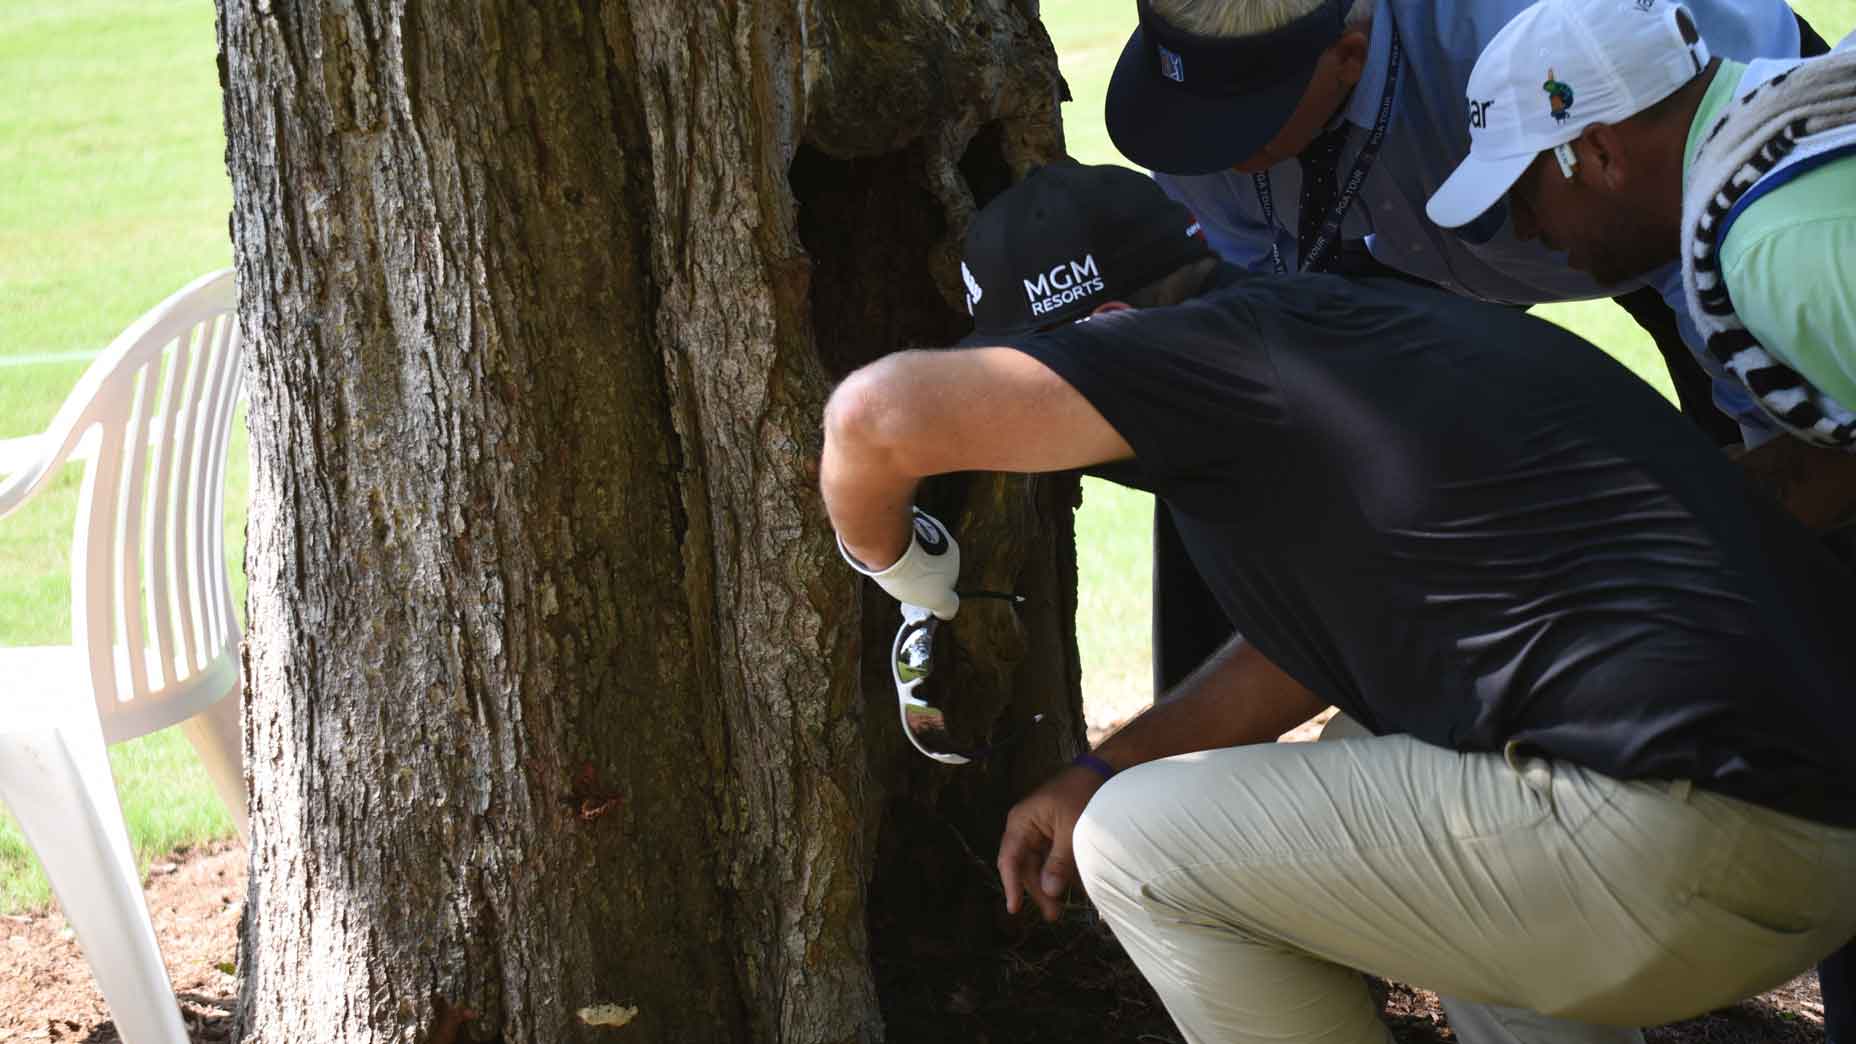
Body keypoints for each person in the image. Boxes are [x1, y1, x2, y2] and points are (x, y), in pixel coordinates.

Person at [822, 161, 1856, 1044]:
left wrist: (900, 567)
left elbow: (874, 418)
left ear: (1111, 333)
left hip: (1685, 839)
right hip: (1811, 832)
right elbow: (1311, 651)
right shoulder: (1339, 341)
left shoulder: (1207, 361)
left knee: (1135, 849)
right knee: (1381, 737)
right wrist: (1105, 763)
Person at [1103, 0, 1825, 448]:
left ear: (1348, 58)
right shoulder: (1197, 120)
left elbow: (1694, 200)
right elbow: (1256, 315)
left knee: (1771, 467)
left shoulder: (1531, 41)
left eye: (1245, 124)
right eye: (1195, 118)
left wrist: (1769, 440)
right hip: (1409, 221)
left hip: (1689, 174)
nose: (1217, 158)